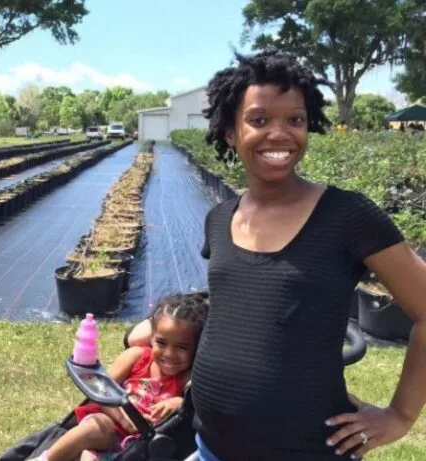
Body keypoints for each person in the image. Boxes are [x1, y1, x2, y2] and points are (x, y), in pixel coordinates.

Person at [128, 51, 426, 460]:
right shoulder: (219, 220)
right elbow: (235, 310)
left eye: (295, 120)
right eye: (260, 120)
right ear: (231, 132)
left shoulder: (347, 216)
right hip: (209, 445)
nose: (280, 134)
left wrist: (400, 415)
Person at [32, 293, 209, 461]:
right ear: (151, 338)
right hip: (109, 426)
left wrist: (178, 403)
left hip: (140, 448)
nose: (169, 354)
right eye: (161, 343)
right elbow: (99, 388)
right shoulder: (136, 357)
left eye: (182, 347)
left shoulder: (189, 377)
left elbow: (197, 407)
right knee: (97, 428)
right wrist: (125, 419)